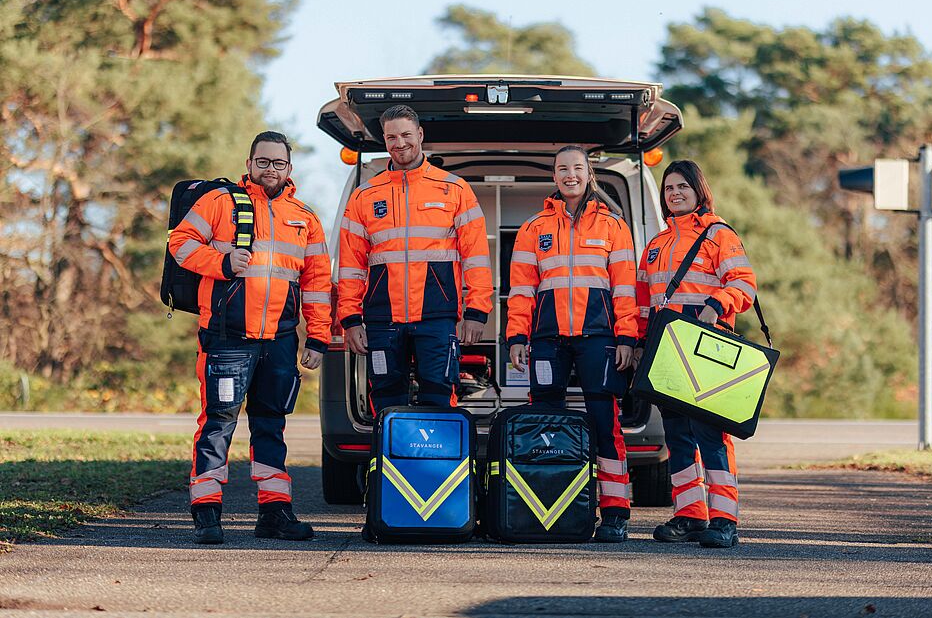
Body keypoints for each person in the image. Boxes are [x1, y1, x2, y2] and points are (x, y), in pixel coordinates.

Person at [168, 131, 331, 545]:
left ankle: (275, 514)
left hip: (279, 339)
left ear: (289, 169)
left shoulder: (305, 218)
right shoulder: (220, 203)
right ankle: (206, 513)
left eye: (278, 163)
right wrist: (221, 262)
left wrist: (317, 336)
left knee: (271, 425)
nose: (270, 170)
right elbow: (179, 243)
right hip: (227, 337)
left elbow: (316, 282)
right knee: (218, 422)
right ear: (250, 162)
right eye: (263, 162)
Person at [506, 145, 638, 543]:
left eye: (576, 168)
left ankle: (615, 512)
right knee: (545, 423)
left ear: (588, 172)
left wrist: (627, 337)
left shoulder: (613, 226)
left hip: (600, 340)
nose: (569, 175)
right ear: (554, 175)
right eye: (562, 169)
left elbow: (626, 290)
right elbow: (521, 290)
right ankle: (549, 504)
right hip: (547, 341)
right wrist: (516, 336)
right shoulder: (534, 228)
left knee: (604, 423)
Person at [337, 105, 493, 411]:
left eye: (406, 134)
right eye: (391, 137)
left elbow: (475, 255)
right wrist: (350, 319)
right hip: (382, 318)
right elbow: (351, 266)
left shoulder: (455, 189)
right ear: (384, 140)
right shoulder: (364, 196)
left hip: (437, 314)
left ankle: (439, 461)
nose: (400, 143)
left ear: (420, 135)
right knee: (384, 397)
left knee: (438, 395)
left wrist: (477, 311)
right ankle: (384, 461)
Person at [636, 160, 757, 549]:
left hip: (708, 351)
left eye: (682, 186)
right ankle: (689, 514)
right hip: (667, 353)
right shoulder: (655, 245)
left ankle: (724, 520)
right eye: (669, 188)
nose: (675, 193)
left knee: (712, 435)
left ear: (698, 190)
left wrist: (717, 303)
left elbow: (744, 283)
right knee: (678, 435)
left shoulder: (718, 234)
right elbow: (643, 302)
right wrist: (638, 344)